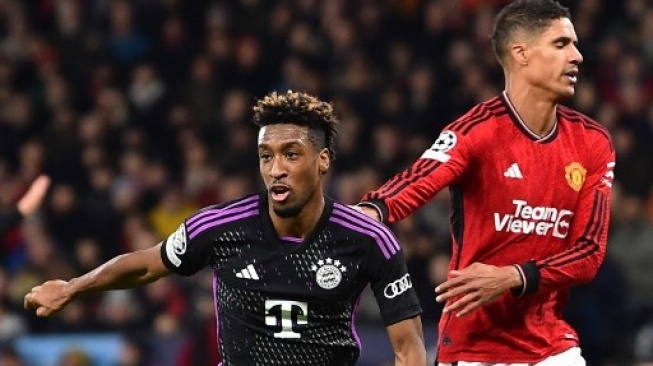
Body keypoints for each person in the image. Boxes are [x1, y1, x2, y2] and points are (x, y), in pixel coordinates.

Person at [24, 91, 427, 366]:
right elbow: (148, 264)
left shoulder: (367, 239)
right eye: (265, 156)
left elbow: (409, 350)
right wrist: (73, 287)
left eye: (291, 154)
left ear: (322, 161)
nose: (276, 169)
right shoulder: (221, 226)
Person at [356, 0, 615, 365]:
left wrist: (512, 276)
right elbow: (416, 182)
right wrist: (370, 210)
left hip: (551, 345)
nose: (577, 56)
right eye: (561, 44)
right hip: (473, 348)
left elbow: (588, 253)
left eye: (574, 43)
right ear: (521, 53)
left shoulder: (592, 141)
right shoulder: (478, 131)